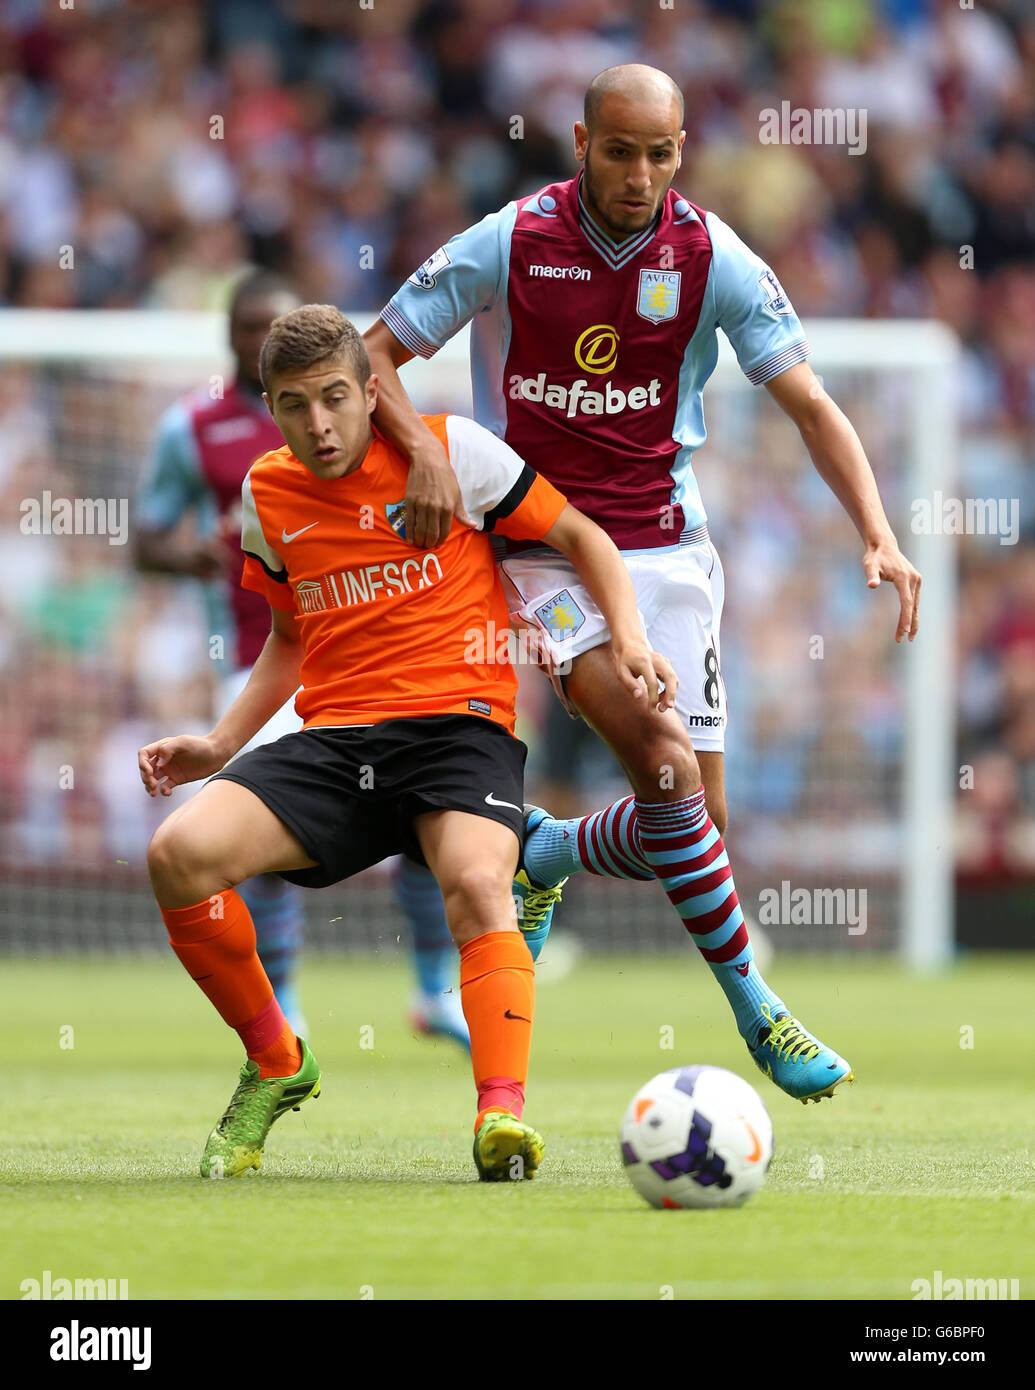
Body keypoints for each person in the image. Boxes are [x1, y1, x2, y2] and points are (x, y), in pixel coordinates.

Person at [364, 63, 922, 1103]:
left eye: (659, 153)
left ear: (680, 152)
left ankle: (548, 849)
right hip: (543, 548)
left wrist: (879, 532)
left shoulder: (712, 258)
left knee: (694, 817)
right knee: (661, 764)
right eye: (618, 150)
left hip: (672, 549)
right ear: (580, 145)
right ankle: (761, 1008)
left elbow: (811, 405)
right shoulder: (511, 241)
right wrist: (429, 455)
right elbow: (372, 355)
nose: (638, 173)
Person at [137, 304, 676, 1180]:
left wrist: (628, 638)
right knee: (177, 856)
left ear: (368, 390)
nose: (318, 425)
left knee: (473, 884)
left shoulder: (454, 453)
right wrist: (220, 743)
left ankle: (498, 1117)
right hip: (336, 740)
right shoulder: (265, 493)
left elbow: (583, 536)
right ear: (269, 406)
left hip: (458, 729)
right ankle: (278, 1060)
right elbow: (286, 636)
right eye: (294, 404)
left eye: (335, 398)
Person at [134, 270, 471, 1047]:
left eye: (274, 323)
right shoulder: (191, 429)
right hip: (257, 654)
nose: (261, 336)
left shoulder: (364, 417)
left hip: (371, 663)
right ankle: (283, 999)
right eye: (249, 327)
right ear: (232, 341)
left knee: (426, 818)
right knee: (260, 833)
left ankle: (431, 989)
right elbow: (147, 535)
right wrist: (201, 554)